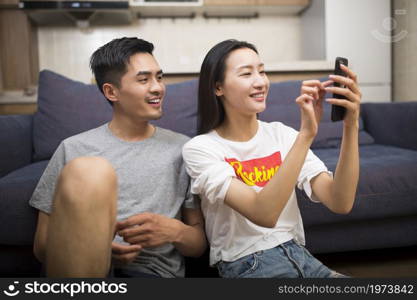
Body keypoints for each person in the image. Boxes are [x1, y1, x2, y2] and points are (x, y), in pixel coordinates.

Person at [182, 39, 361, 278]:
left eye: (262, 71)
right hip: (248, 265)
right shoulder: (201, 149)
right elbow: (264, 213)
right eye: (246, 73)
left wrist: (351, 125)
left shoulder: (282, 135)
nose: (260, 82)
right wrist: (306, 135)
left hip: (302, 258)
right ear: (218, 87)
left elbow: (341, 202)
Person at [30, 37, 206, 278]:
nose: (158, 87)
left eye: (159, 77)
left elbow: (199, 246)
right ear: (111, 91)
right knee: (90, 171)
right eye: (144, 79)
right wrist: (92, 250)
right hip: (79, 273)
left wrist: (174, 231)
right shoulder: (72, 149)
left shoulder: (183, 149)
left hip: (151, 273)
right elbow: (41, 246)